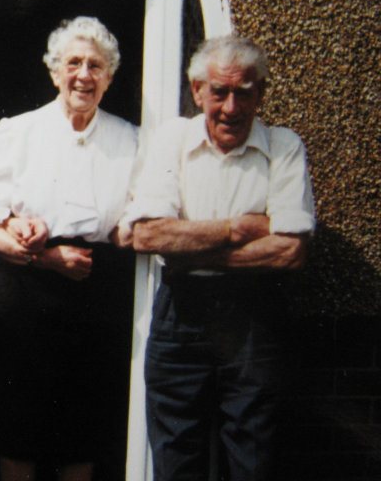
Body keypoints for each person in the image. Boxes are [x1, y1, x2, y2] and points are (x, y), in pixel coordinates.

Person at [120, 35, 315, 481]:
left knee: (253, 456)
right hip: (180, 315)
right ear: (197, 91)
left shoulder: (284, 146)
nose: (230, 107)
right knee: (175, 452)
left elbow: (290, 250)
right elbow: (148, 233)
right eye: (219, 92)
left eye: (243, 92)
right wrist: (237, 229)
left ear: (261, 93)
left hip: (253, 314)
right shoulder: (172, 139)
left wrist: (191, 253)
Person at [0, 16, 138, 481]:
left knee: (81, 426)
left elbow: (134, 220)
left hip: (97, 286)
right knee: (20, 420)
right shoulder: (18, 131)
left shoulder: (131, 139)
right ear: (54, 71)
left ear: (110, 76)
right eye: (74, 63)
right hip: (24, 286)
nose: (84, 75)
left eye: (96, 66)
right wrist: (33, 247)